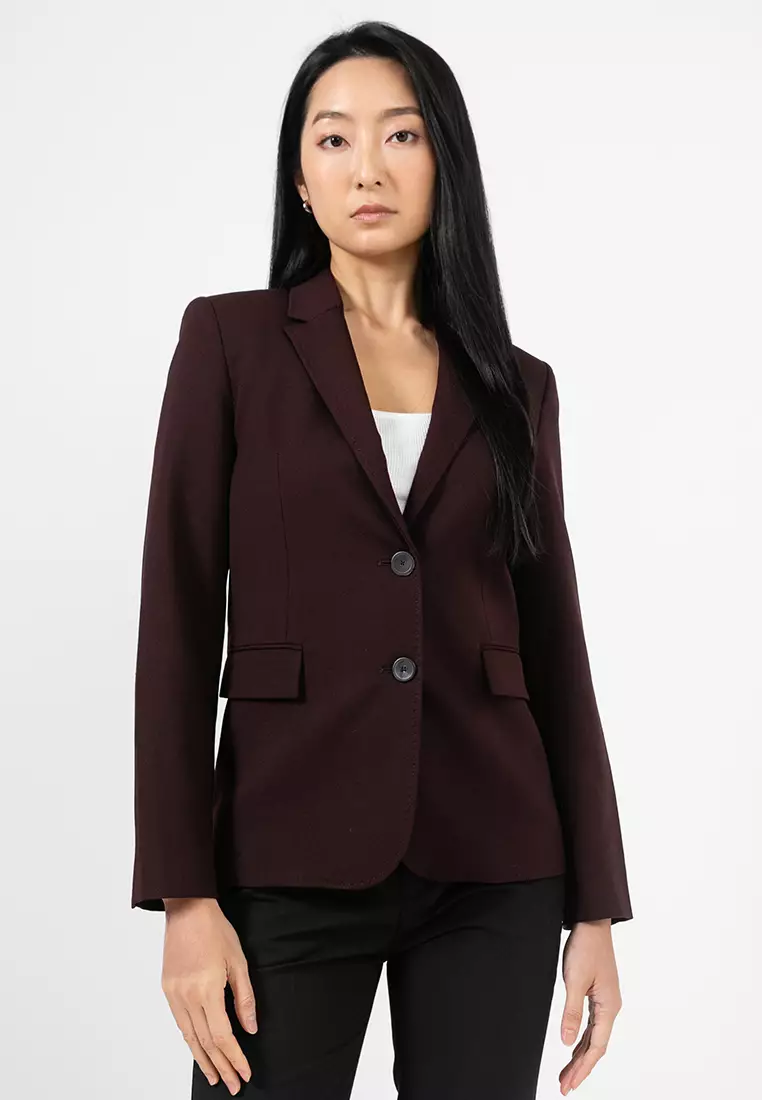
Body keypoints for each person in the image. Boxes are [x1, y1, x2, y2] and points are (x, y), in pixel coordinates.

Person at [131, 19, 633, 1100]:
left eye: (401, 135)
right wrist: (184, 896)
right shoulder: (230, 344)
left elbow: (557, 643)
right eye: (333, 139)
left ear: (445, 161)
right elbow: (176, 618)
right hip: (285, 846)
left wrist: (596, 905)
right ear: (299, 179)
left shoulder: (517, 385)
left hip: (496, 855)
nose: (367, 167)